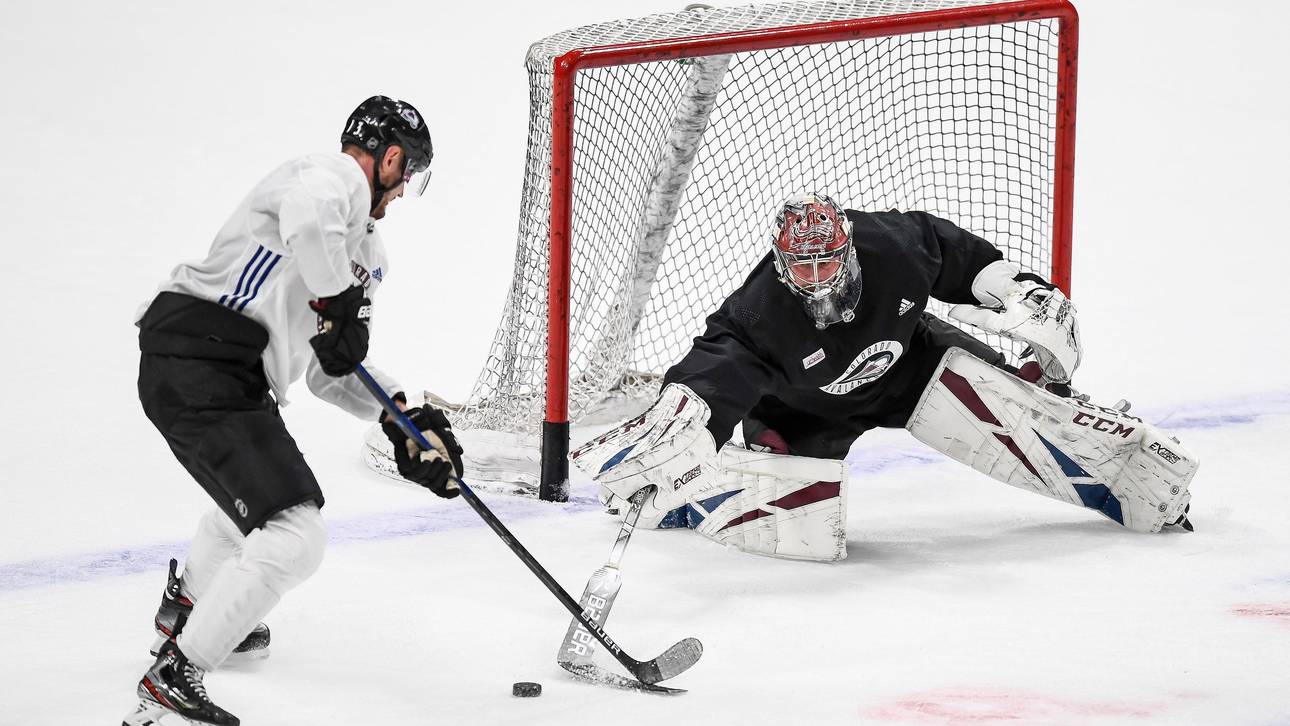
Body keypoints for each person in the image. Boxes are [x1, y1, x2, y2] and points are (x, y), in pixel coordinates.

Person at [572, 193, 1197, 563]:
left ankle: (1131, 477)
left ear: (847, 247)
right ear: (781, 262)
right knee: (802, 521)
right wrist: (685, 412)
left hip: (912, 366)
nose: (815, 278)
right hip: (803, 413)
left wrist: (1014, 289)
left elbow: (955, 255)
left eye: (826, 262)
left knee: (1018, 405)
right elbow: (718, 364)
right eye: (801, 266)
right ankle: (675, 501)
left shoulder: (892, 245)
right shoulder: (762, 312)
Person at [123, 96, 465, 726]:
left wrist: (402, 417)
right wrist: (338, 302)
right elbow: (309, 226)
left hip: (230, 373)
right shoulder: (327, 179)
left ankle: (188, 610)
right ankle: (175, 673)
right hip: (200, 353)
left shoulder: (366, 251)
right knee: (296, 535)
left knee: (268, 507)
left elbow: (327, 371)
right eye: (407, 175)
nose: (402, 192)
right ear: (391, 159)